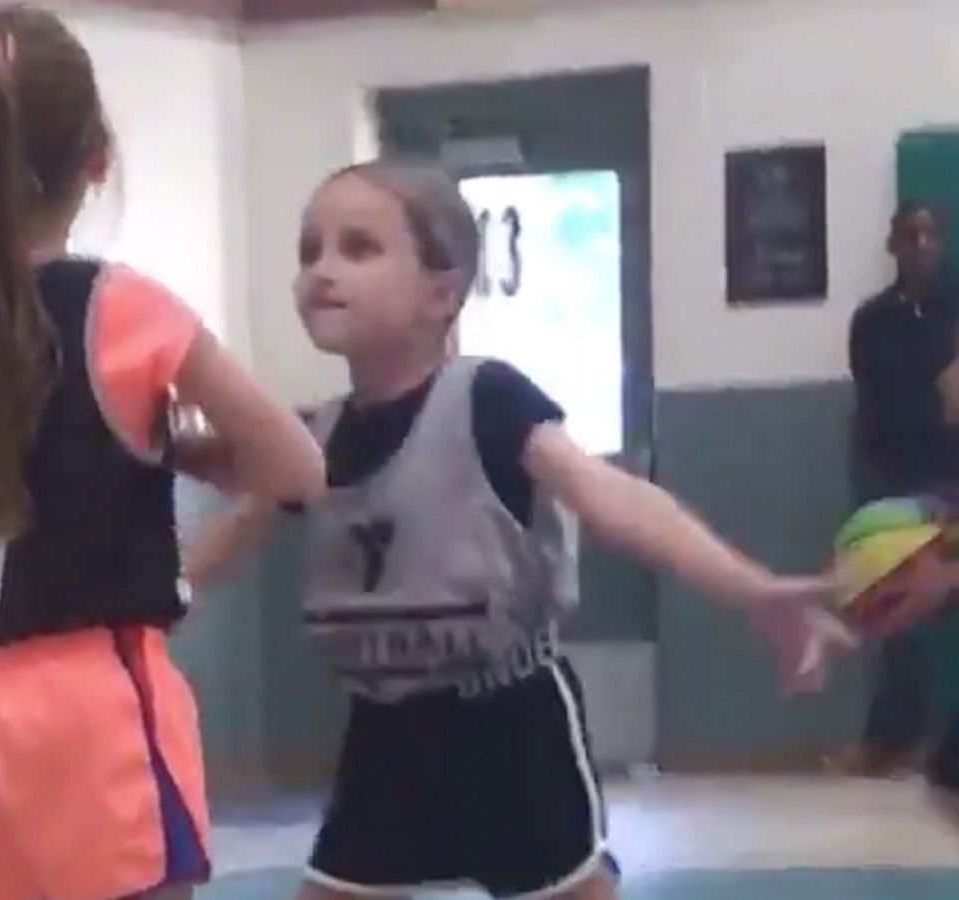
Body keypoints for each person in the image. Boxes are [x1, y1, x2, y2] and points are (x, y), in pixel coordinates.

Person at [183, 162, 850, 900]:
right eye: (310, 250)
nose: (322, 269)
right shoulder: (317, 436)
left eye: (358, 248)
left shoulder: (488, 398)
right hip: (387, 730)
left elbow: (610, 497)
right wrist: (162, 601)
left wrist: (751, 588)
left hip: (507, 723)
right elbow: (240, 526)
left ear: (441, 294)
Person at [0, 6, 325, 899]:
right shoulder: (116, 307)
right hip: (95, 704)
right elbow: (297, 465)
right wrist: (184, 452)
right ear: (96, 160)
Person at [839, 202, 959, 779]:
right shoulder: (873, 320)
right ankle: (890, 741)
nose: (920, 245)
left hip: (951, 477)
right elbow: (881, 403)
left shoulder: (954, 312)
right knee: (896, 616)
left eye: (929, 235)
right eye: (909, 235)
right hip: (896, 480)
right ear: (892, 245)